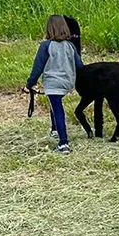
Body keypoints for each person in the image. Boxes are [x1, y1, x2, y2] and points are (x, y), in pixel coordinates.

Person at [24, 15, 84, 154]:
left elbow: (38, 67)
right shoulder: (70, 46)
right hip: (67, 82)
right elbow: (80, 65)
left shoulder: (46, 45)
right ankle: (55, 129)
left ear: (50, 28)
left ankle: (63, 143)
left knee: (57, 109)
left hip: (53, 81)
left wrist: (29, 84)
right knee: (54, 103)